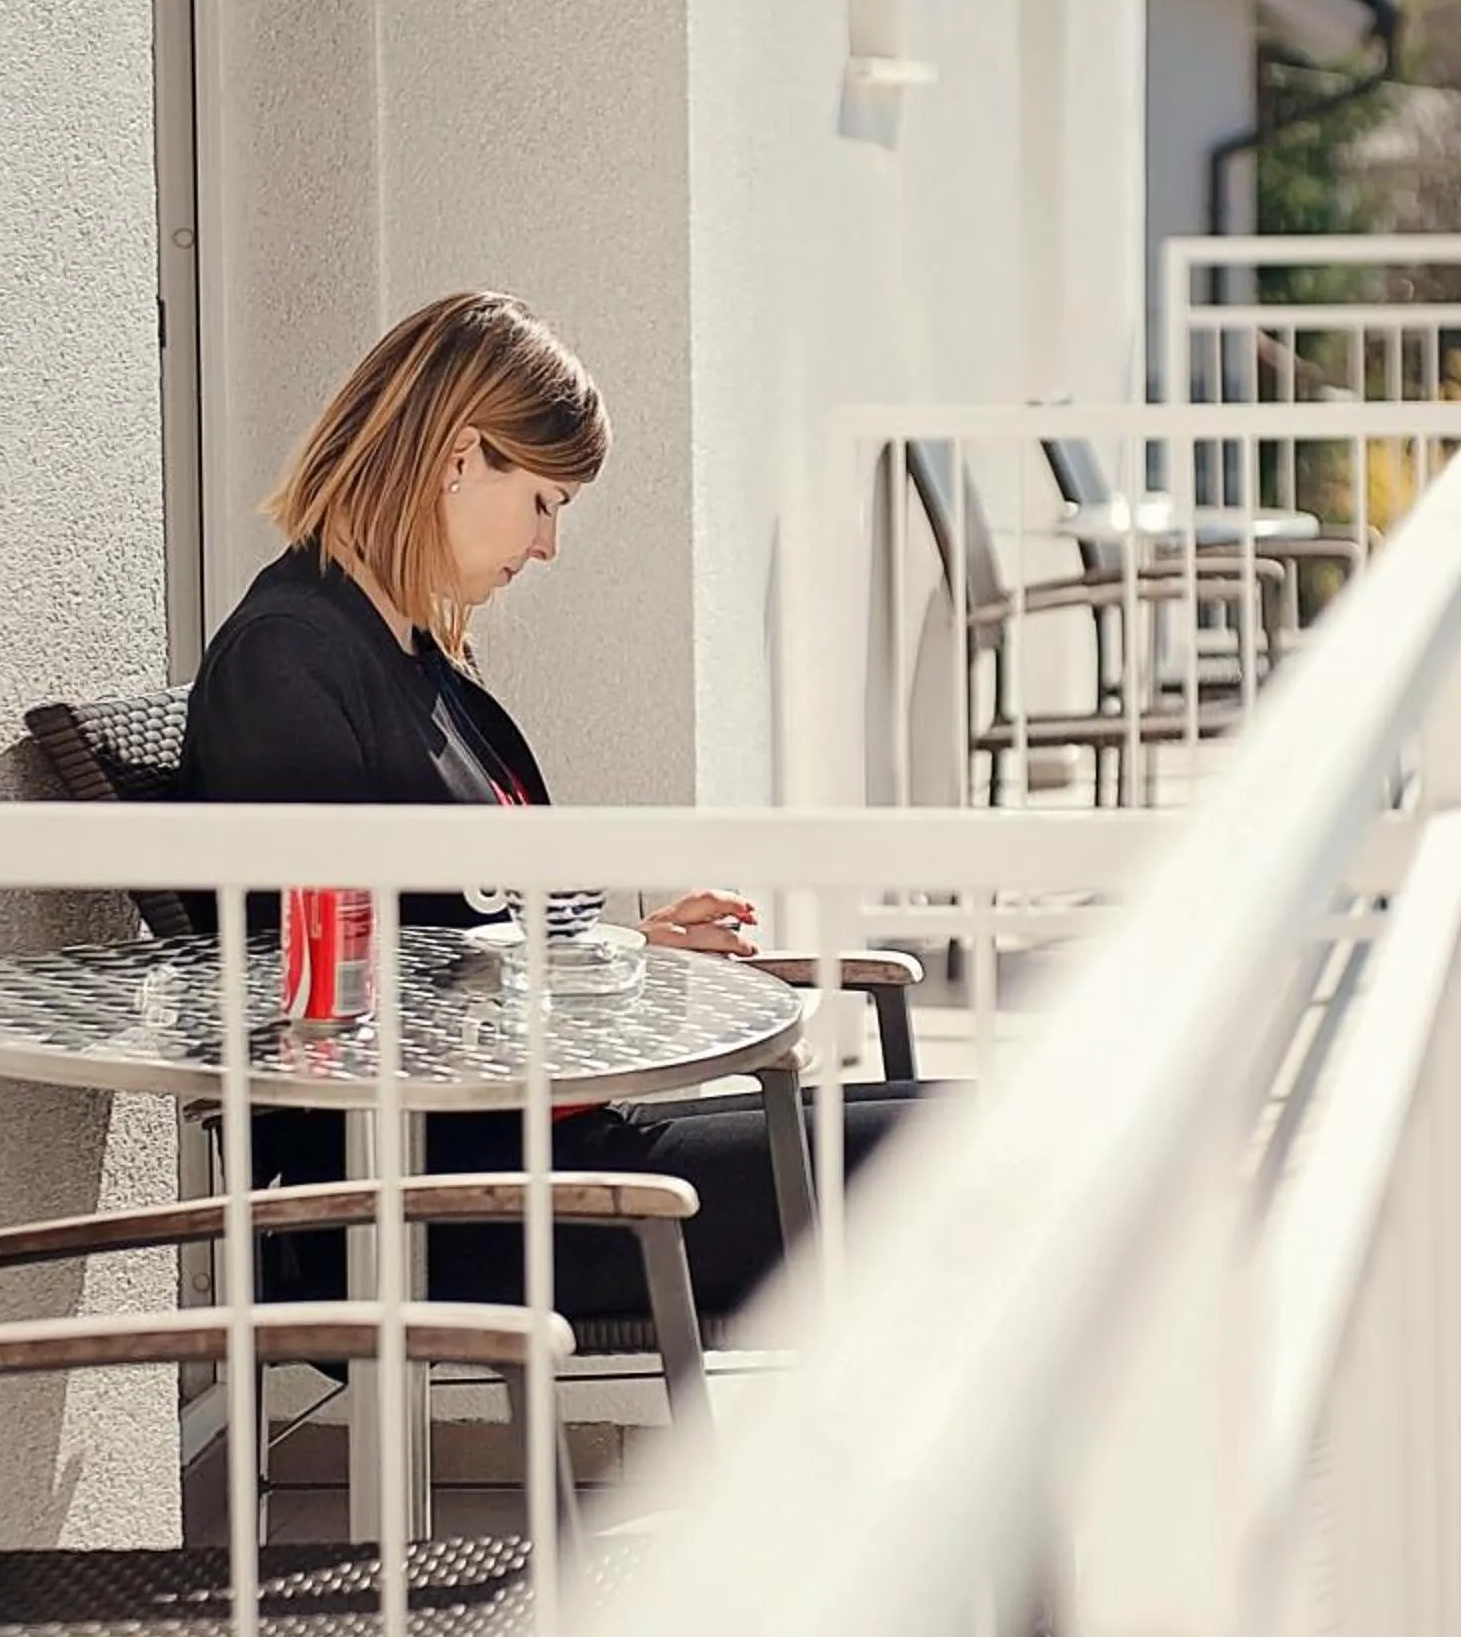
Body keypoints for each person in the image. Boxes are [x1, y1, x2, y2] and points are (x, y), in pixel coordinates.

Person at [179, 287, 921, 1330]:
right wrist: (599, 968)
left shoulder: (407, 655)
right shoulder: (291, 662)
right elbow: (334, 995)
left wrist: (627, 949)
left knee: (988, 1121)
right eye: (542, 502)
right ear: (456, 454)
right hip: (442, 1211)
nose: (546, 546)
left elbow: (457, 936)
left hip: (543, 1157)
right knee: (964, 1154)